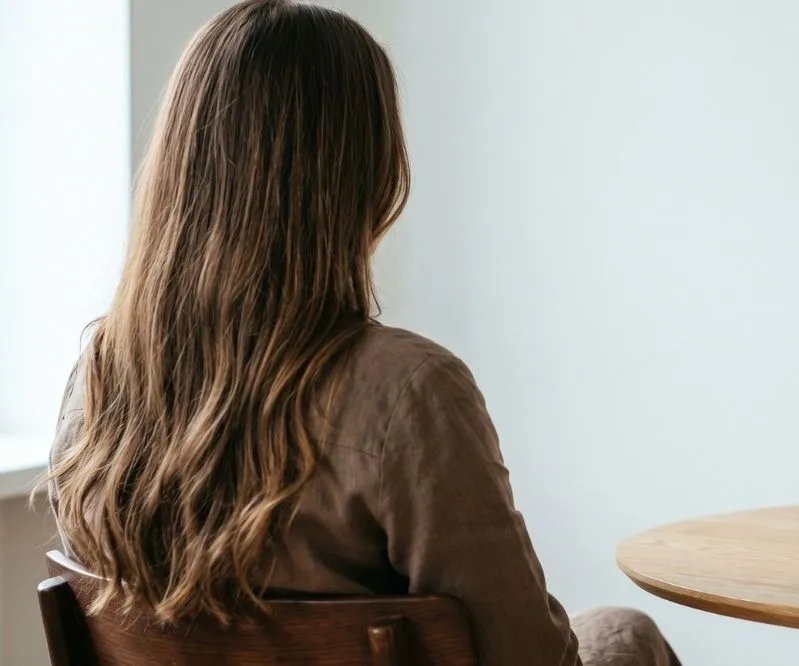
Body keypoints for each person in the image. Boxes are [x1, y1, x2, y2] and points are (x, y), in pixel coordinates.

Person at [43, 1, 678, 664]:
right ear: (365, 169)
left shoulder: (100, 373)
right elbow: (528, 655)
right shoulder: (405, 389)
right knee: (624, 632)